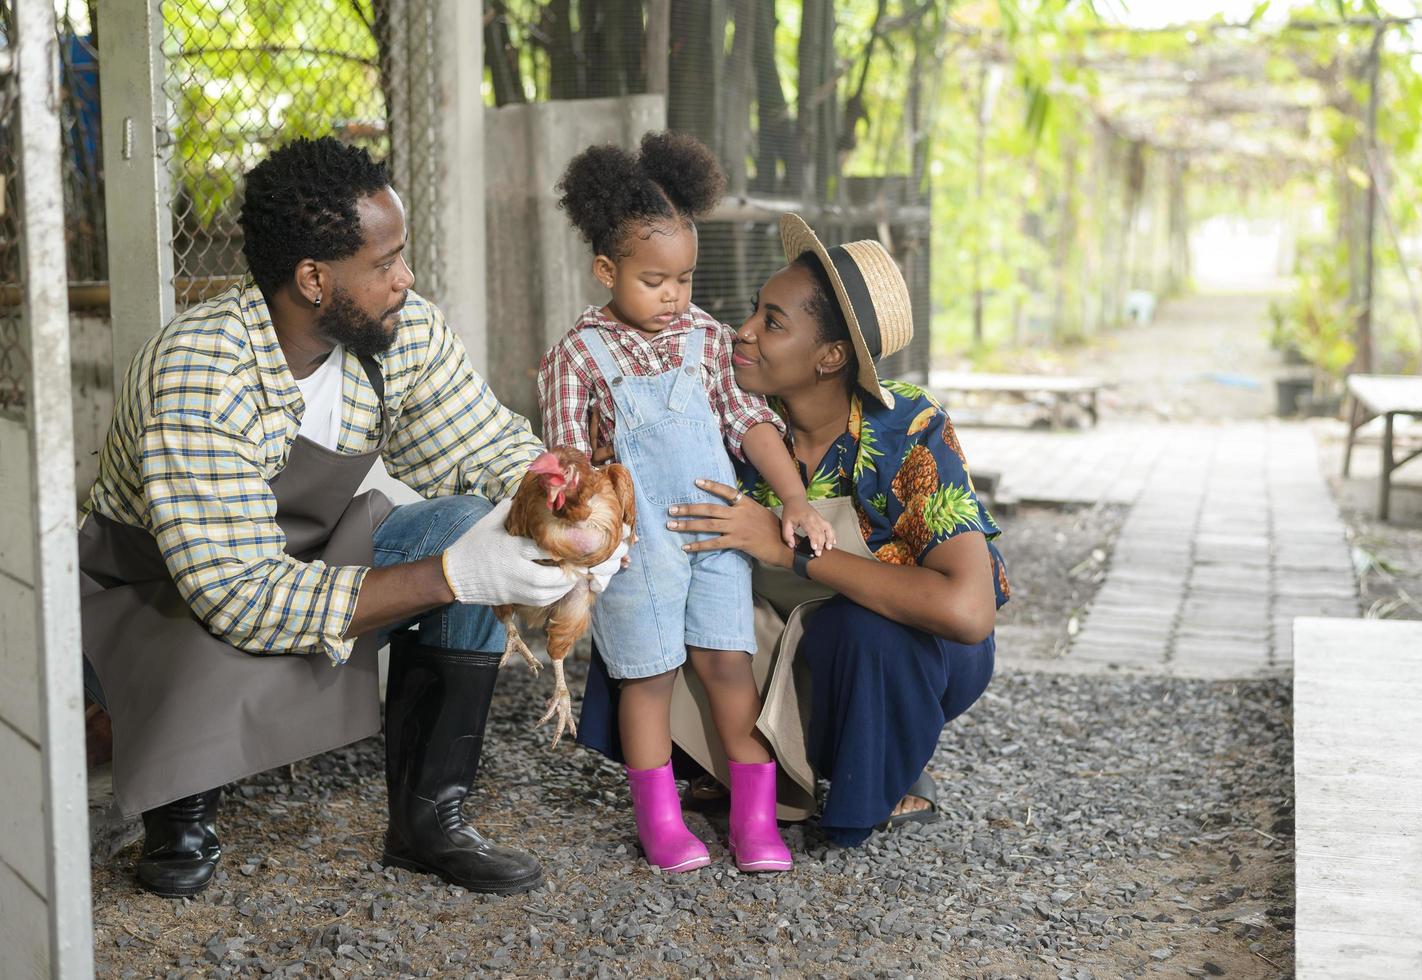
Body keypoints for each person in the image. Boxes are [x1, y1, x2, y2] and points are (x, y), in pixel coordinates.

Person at [78, 136, 624, 898]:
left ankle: (430, 821)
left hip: (301, 553)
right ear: (312, 278)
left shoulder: (400, 331)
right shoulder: (204, 372)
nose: (405, 278)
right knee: (204, 619)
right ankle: (180, 799)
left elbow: (485, 445)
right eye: (384, 262)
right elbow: (235, 594)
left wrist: (568, 510)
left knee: (475, 519)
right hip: (163, 587)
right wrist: (449, 576)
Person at [660, 213, 1010, 846]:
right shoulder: (735, 421)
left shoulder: (907, 429)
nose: (742, 333)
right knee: (665, 577)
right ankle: (729, 763)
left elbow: (967, 611)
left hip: (909, 653)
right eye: (753, 311)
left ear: (830, 357)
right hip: (790, 645)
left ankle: (870, 783)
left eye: (773, 322)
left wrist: (788, 551)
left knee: (860, 628)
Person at [537, 133, 829, 874]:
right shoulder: (577, 354)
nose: (674, 295)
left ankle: (754, 817)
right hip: (638, 550)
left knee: (728, 666)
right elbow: (569, 454)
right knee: (649, 678)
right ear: (607, 271)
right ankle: (660, 819)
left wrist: (791, 497)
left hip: (714, 536)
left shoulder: (704, 339)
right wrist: (571, 497)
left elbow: (749, 425)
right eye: (654, 279)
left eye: (686, 278)